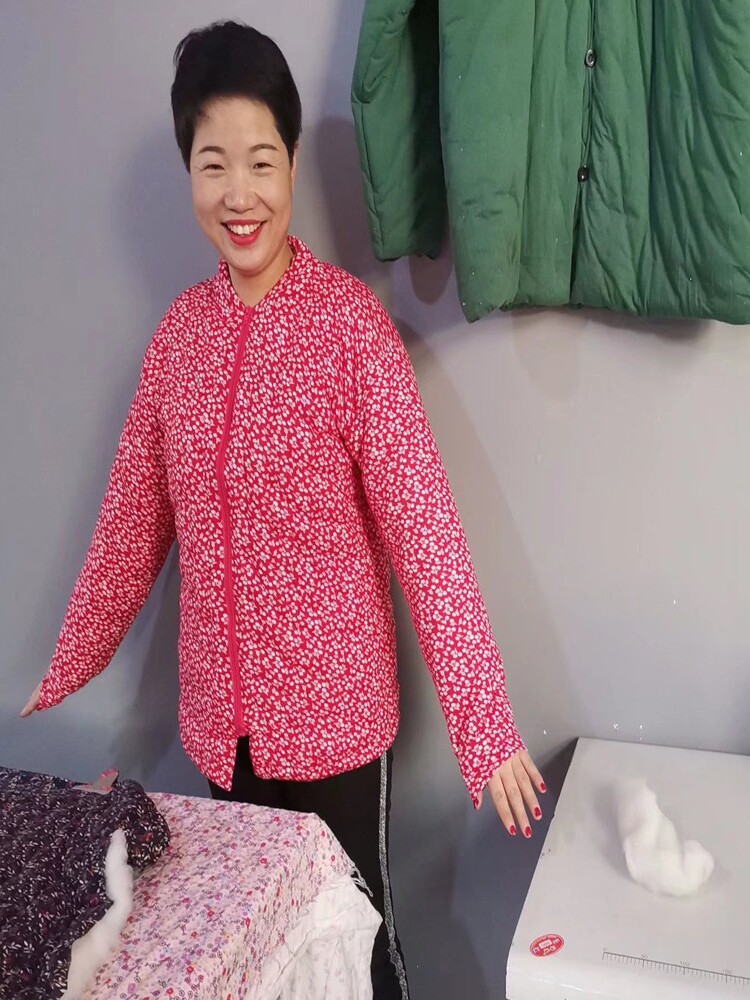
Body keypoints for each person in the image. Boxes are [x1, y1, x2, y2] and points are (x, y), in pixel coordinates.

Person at [20, 21, 546, 1000]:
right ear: (189, 172)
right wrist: (69, 664)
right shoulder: (178, 341)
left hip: (339, 726)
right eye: (213, 163)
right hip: (225, 732)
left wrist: (485, 725)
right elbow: (130, 524)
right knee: (259, 957)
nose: (240, 192)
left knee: (355, 945)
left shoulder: (350, 329)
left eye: (261, 161)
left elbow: (425, 533)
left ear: (293, 163)